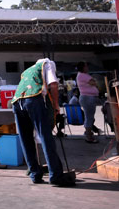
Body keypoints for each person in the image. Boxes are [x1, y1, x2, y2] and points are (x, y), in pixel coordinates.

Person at [12, 58, 75, 186]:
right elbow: (53, 85)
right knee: (46, 136)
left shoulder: (27, 71)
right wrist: (56, 105)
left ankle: (35, 174)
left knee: (26, 139)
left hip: (17, 102)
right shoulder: (48, 64)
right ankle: (55, 176)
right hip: (33, 100)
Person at [76, 61, 100, 143]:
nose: (87, 67)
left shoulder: (82, 75)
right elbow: (94, 83)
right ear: (83, 67)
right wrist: (95, 81)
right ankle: (89, 136)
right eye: (86, 66)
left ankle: (88, 132)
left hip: (88, 97)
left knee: (90, 117)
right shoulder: (83, 75)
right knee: (89, 117)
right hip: (87, 97)